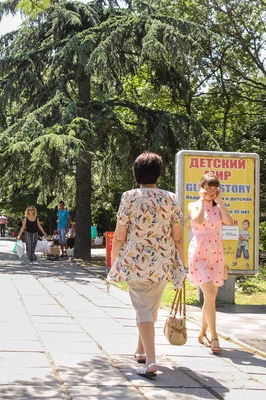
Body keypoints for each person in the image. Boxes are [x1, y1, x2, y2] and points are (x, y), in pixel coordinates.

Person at [107, 151, 186, 378]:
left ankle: (151, 361)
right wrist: (181, 263)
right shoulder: (170, 198)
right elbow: (178, 236)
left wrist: (114, 259)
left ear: (136, 173)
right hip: (163, 261)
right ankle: (141, 350)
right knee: (150, 308)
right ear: (159, 174)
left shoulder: (129, 197)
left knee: (143, 309)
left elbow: (120, 235)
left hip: (136, 262)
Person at [187, 173, 233, 355]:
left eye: (214, 188)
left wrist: (220, 202)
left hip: (216, 252)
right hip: (199, 252)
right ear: (202, 187)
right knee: (209, 295)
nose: (211, 191)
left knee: (211, 297)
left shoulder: (218, 207)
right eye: (208, 187)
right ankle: (214, 337)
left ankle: (203, 332)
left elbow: (228, 221)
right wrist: (201, 200)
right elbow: (197, 220)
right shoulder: (194, 205)